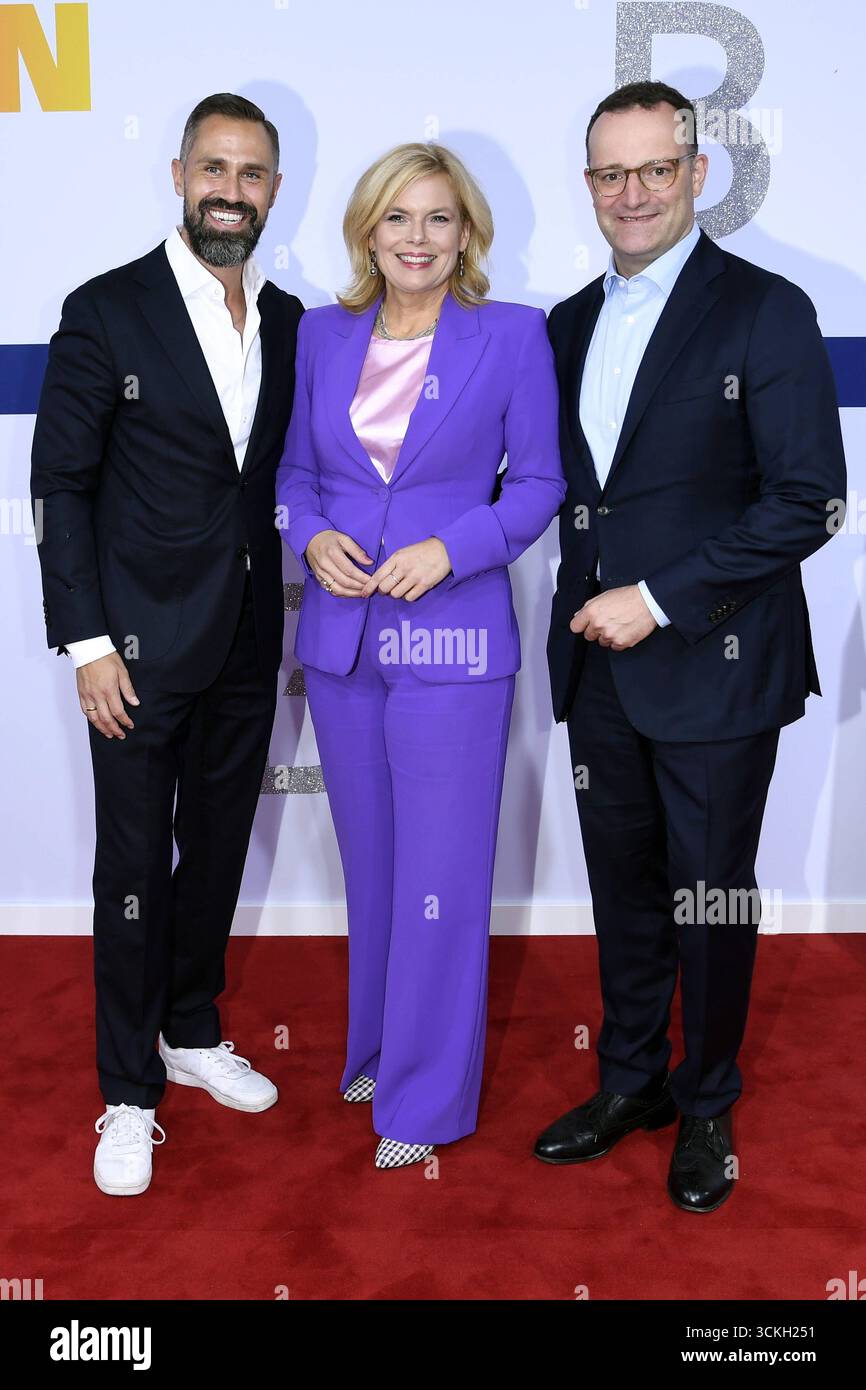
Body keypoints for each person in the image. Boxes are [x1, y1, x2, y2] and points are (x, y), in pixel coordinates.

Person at [536, 82, 846, 1211]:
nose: (631, 193)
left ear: (695, 174)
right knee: (622, 892)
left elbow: (809, 498)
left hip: (712, 662)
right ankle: (632, 1084)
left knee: (706, 896)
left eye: (653, 170)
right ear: (588, 186)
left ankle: (705, 1100)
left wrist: (657, 598)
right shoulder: (563, 323)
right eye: (609, 174)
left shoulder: (765, 310)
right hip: (596, 667)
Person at [30, 93, 303, 1195]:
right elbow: (61, 483)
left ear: (273, 193)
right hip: (133, 652)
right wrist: (89, 642)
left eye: (252, 175)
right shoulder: (107, 310)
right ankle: (127, 1094)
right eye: (214, 169)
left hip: (245, 640)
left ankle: (191, 1030)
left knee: (220, 849)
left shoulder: (286, 320)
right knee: (134, 870)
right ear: (180, 175)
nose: (230, 191)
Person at [276, 142, 566, 1168]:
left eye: (438, 219)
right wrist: (306, 535)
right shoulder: (320, 335)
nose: (416, 238)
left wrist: (453, 546)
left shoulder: (510, 337)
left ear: (465, 235)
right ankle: (378, 1045)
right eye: (397, 217)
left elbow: (536, 486)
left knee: (442, 874)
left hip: (452, 641)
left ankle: (425, 1101)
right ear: (367, 229)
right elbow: (295, 476)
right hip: (345, 642)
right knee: (375, 867)